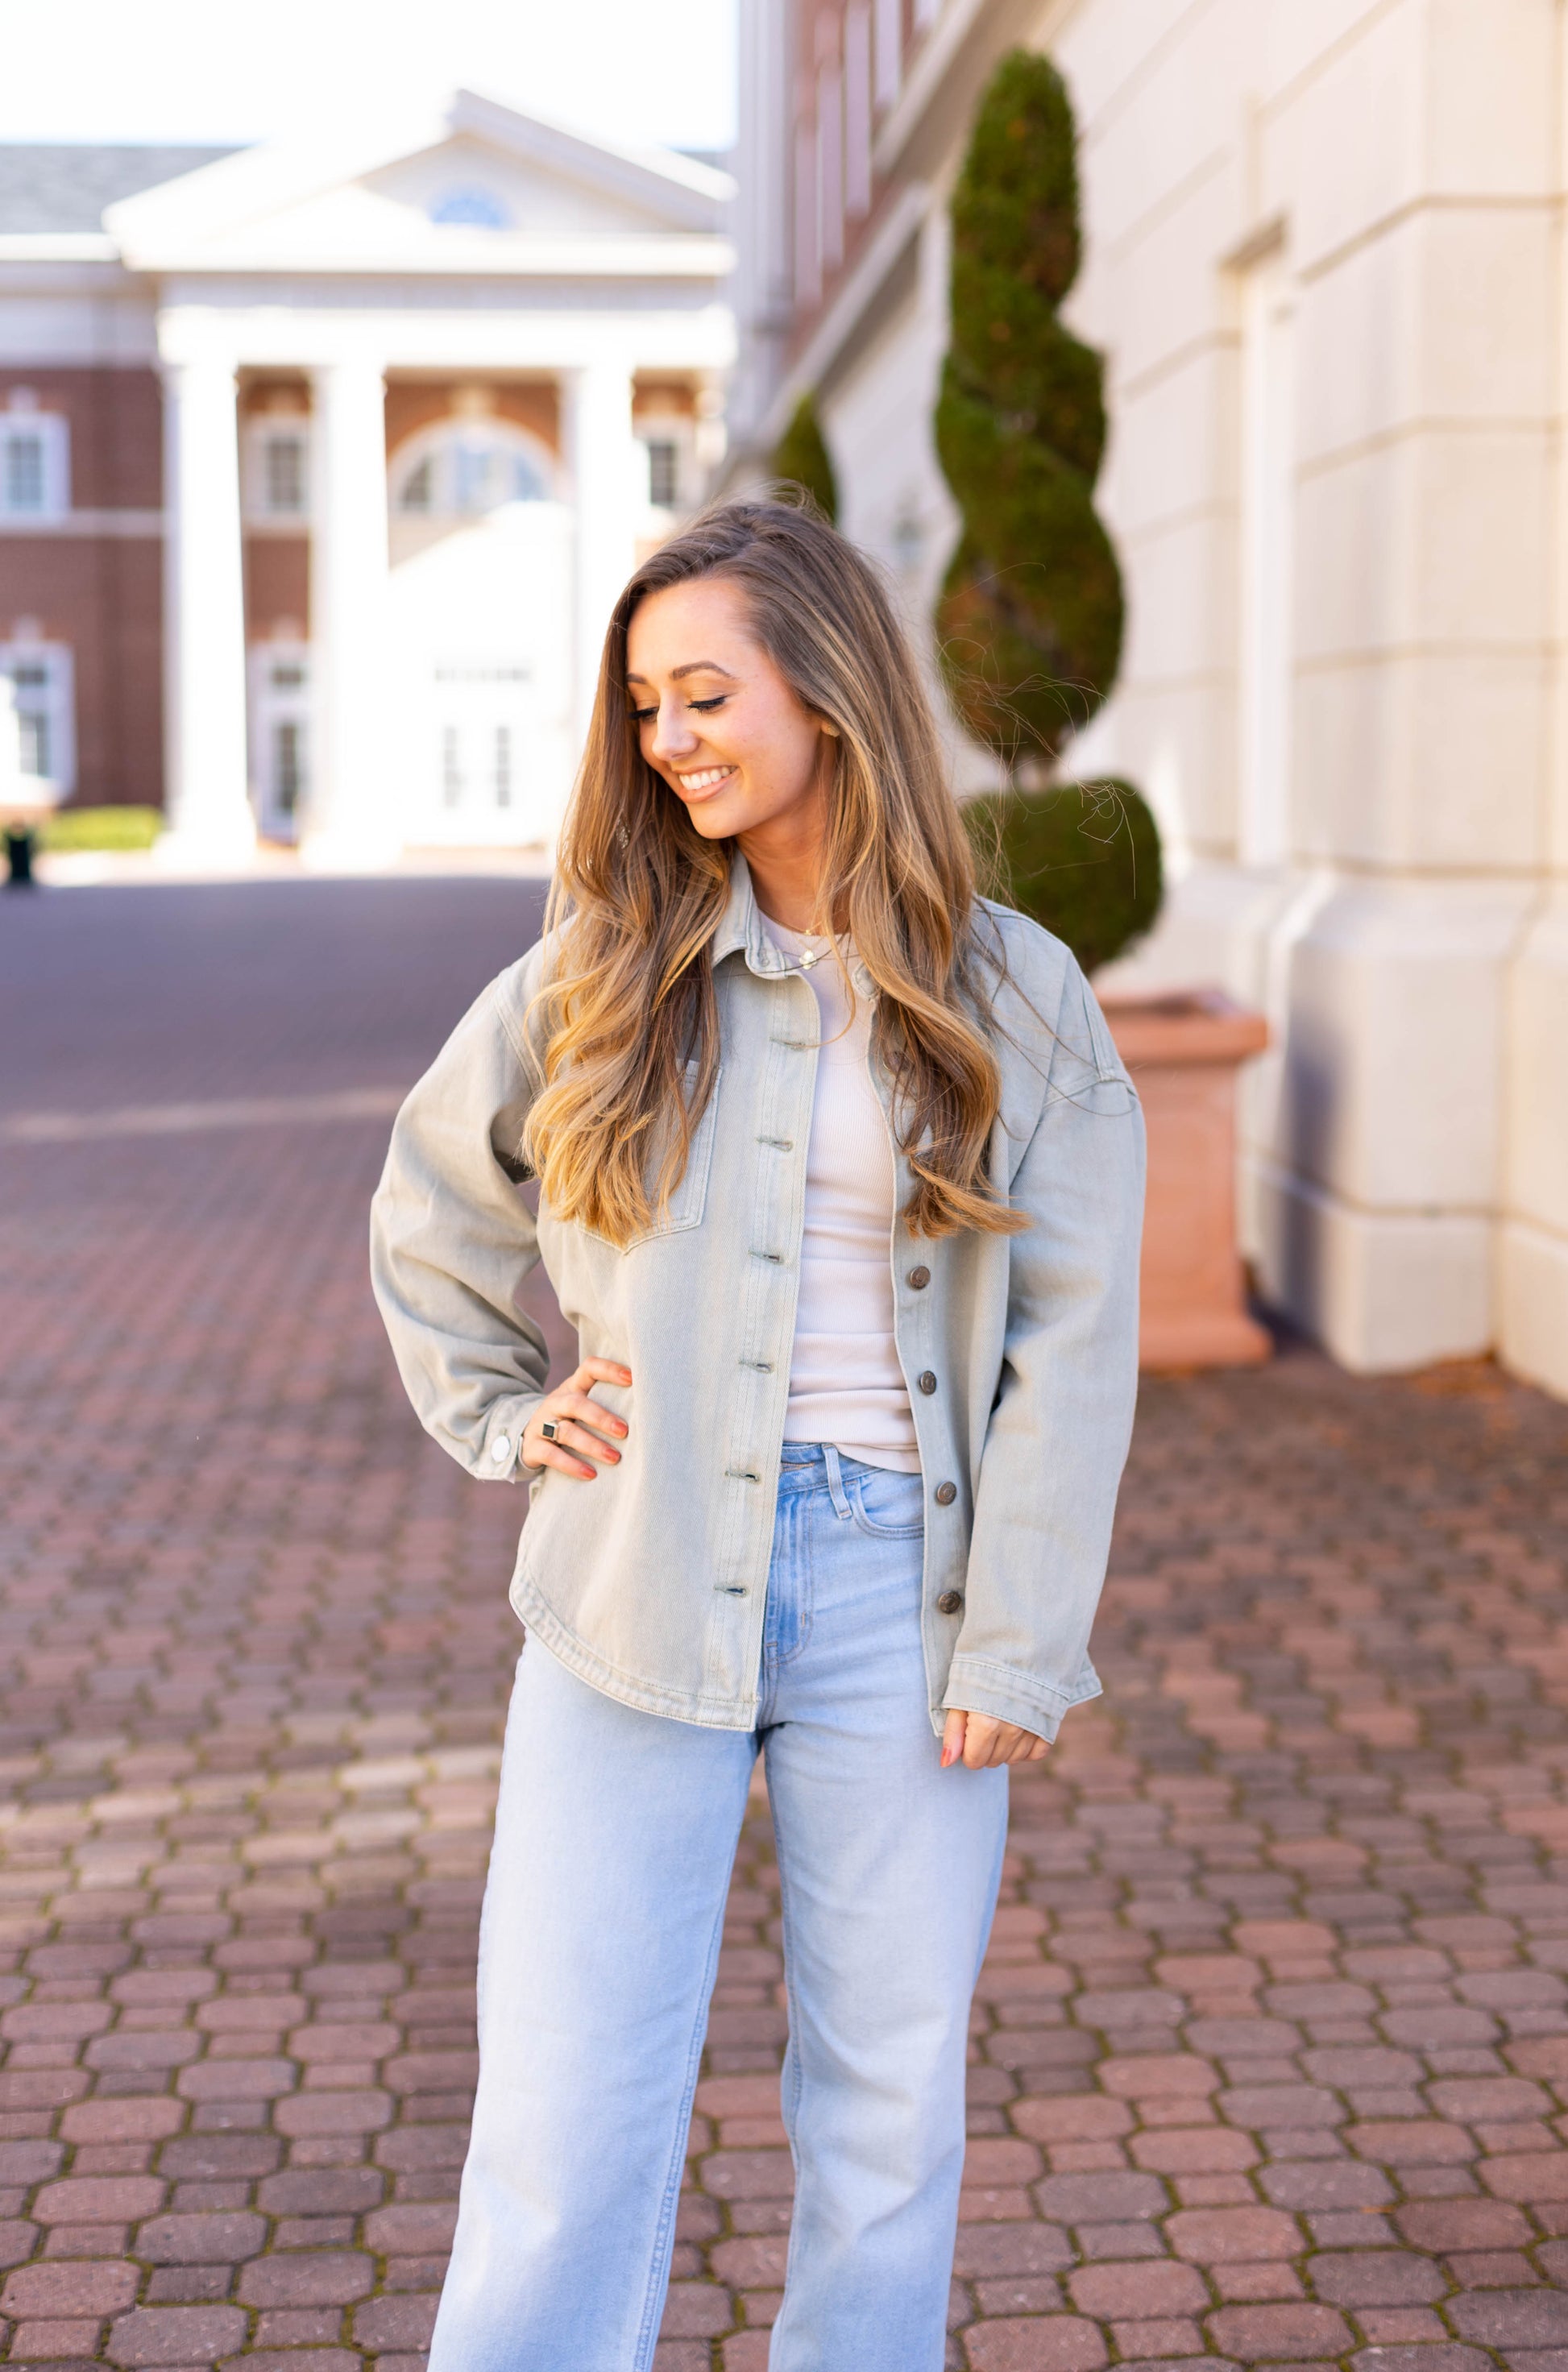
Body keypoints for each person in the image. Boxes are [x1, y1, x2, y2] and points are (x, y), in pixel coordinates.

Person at [370, 497, 1145, 2371]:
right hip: (630, 1586)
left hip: (906, 1592)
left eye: (703, 690)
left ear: (827, 682)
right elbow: (429, 1200)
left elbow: (1073, 1334)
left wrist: (1022, 1637)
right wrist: (502, 1409)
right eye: (645, 706)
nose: (669, 739)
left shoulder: (1014, 988)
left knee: (887, 2117)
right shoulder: (599, 968)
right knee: (563, 2108)